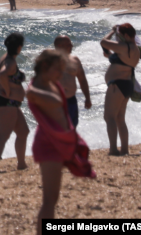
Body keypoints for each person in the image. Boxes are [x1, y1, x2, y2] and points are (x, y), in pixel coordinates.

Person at [26, 49, 95, 233]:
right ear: (45, 67)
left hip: (59, 142)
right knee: (49, 200)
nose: (61, 73)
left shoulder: (49, 83)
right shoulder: (36, 88)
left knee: (52, 199)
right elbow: (30, 95)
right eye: (58, 69)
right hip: (49, 144)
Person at [100, 24, 141, 156]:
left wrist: (112, 31)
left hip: (117, 86)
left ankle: (113, 149)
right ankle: (124, 149)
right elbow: (123, 62)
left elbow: (103, 42)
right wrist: (111, 56)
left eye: (119, 36)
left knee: (109, 117)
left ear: (125, 35)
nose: (117, 39)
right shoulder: (135, 48)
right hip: (127, 85)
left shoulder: (125, 46)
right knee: (120, 118)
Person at [0, 33, 28, 173]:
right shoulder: (10, 62)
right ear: (19, 47)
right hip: (6, 102)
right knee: (2, 137)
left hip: (10, 103)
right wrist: (7, 90)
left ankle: (22, 164)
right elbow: (2, 74)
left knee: (23, 131)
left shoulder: (6, 58)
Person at [53, 36, 91, 129]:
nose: (72, 46)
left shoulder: (75, 60)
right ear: (59, 46)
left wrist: (87, 98)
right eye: (69, 44)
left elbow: (82, 80)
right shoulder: (50, 61)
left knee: (72, 128)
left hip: (71, 101)